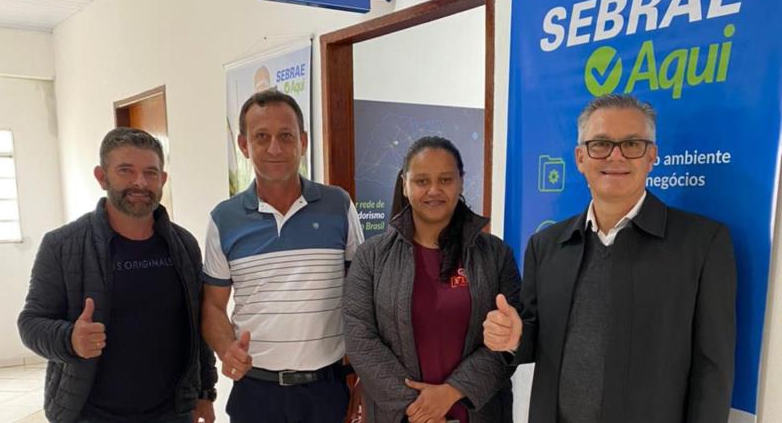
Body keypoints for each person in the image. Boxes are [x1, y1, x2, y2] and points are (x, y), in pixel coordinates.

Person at [483, 94, 736, 423]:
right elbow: (536, 336)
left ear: (651, 156)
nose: (616, 156)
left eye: (632, 144)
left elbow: (713, 372)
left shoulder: (702, 244)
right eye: (600, 144)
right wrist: (515, 337)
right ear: (580, 158)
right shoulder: (545, 245)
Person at [17, 128, 217, 423]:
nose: (140, 182)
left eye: (150, 172)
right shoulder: (62, 245)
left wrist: (205, 391)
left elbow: (199, 327)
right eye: (126, 170)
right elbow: (30, 324)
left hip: (171, 413)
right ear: (102, 177)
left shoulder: (184, 245)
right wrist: (70, 339)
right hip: (92, 414)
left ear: (162, 180)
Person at [201, 90, 364, 423]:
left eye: (286, 136)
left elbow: (363, 295)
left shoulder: (338, 205)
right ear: (244, 144)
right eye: (261, 137)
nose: (274, 148)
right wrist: (225, 349)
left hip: (328, 390)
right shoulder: (224, 219)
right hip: (256, 393)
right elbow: (213, 305)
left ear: (302, 141)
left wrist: (364, 374)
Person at [344, 136, 521, 423]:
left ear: (461, 182)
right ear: (405, 184)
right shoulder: (372, 258)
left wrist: (452, 392)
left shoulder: (496, 255)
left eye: (446, 180)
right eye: (422, 181)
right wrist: (421, 409)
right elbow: (360, 340)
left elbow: (508, 346)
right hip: (400, 416)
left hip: (478, 413)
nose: (434, 191)